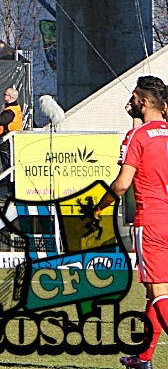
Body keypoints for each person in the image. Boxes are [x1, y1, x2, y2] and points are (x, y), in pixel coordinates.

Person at [91, 77, 168, 369]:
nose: (131, 103)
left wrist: (99, 207)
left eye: (134, 97)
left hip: (152, 222)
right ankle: (144, 358)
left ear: (145, 102)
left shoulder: (139, 136)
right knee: (155, 292)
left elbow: (122, 185)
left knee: (158, 292)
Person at [0, 86, 23, 173]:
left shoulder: (10, 111)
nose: (3, 96)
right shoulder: (15, 108)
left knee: (8, 168)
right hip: (9, 141)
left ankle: (11, 186)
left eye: (5, 94)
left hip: (7, 142)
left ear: (11, 97)